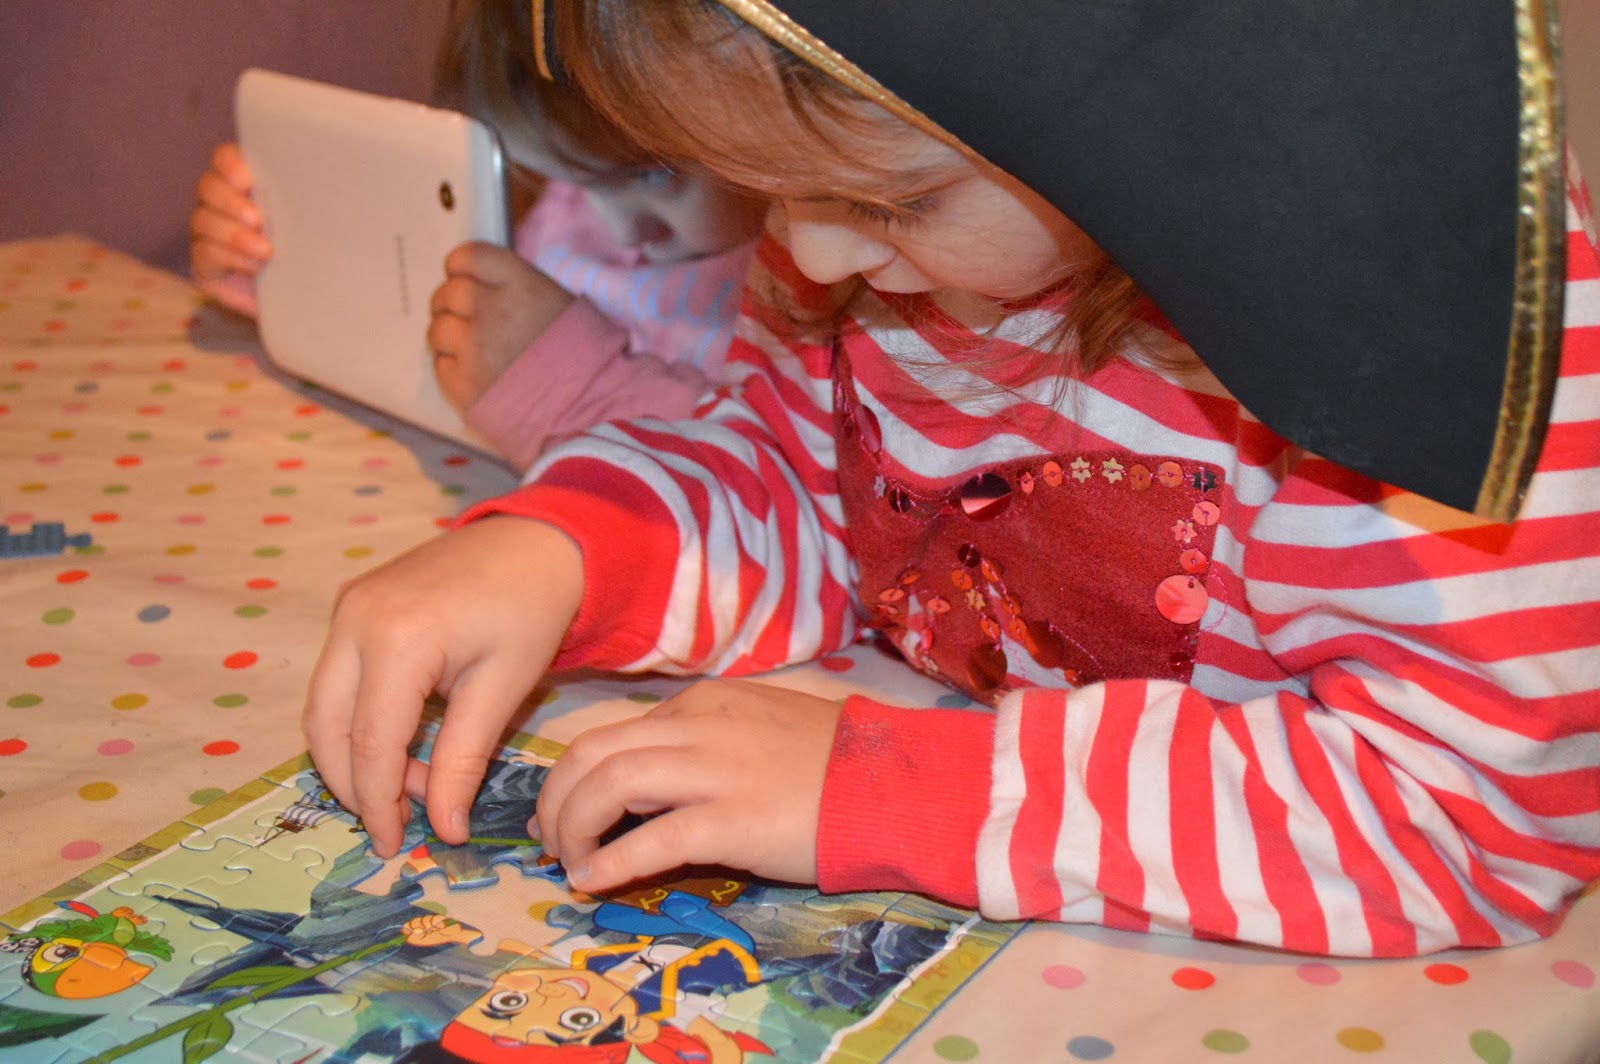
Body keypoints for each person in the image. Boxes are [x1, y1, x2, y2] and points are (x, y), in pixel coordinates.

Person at [303, 0, 1600, 958]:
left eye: (888, 204)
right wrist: (575, 545)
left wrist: (889, 786)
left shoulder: (1421, 341)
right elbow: (799, 479)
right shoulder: (862, 250)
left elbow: (1469, 810)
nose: (806, 254)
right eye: (760, 189)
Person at [188, 0, 768, 469]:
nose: (621, 231)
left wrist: (560, 384)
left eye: (652, 175)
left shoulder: (794, 291)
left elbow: (757, 482)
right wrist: (288, 268)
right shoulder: (568, 216)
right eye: (566, 179)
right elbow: (444, 350)